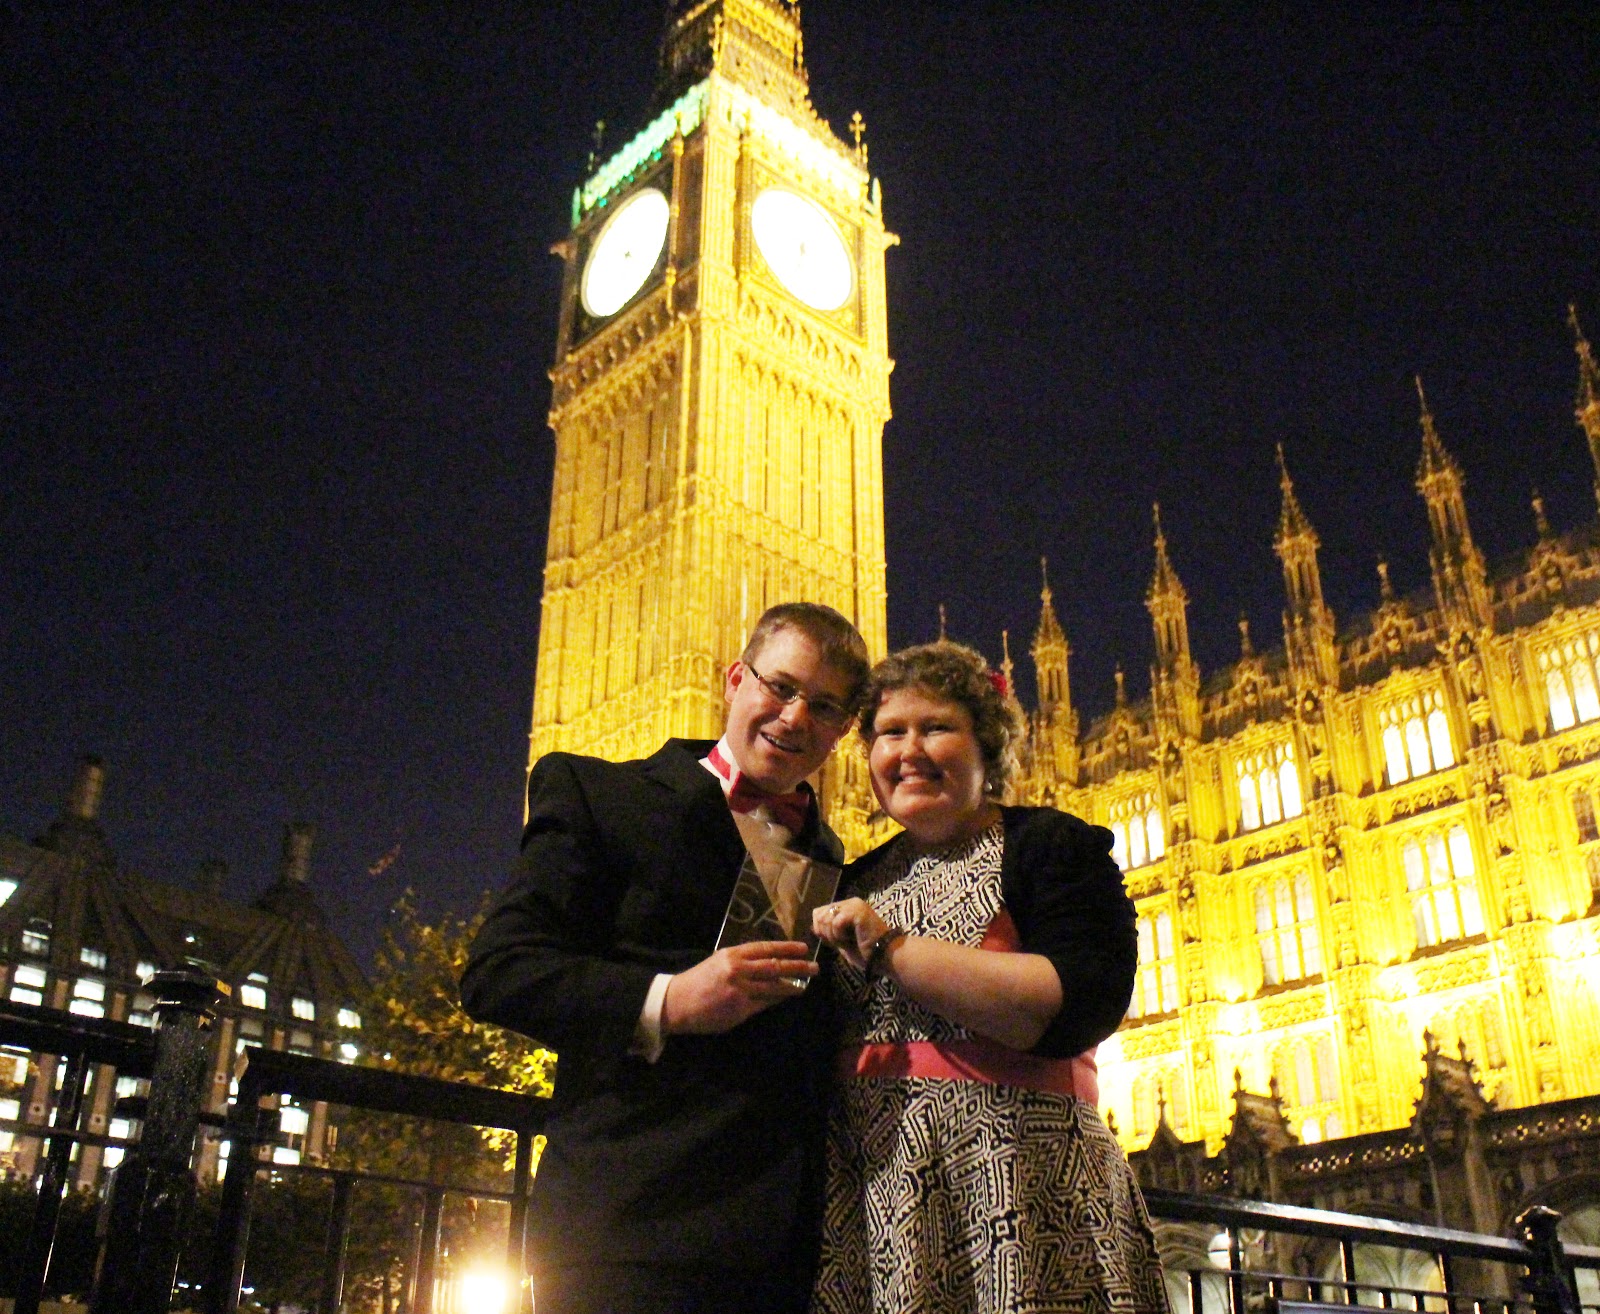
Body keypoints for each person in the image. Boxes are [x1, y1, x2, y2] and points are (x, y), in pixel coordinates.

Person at [459, 602, 870, 1314]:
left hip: (777, 1252)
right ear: (735, 680)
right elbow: (500, 971)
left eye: (825, 706)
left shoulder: (828, 853)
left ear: (841, 730)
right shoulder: (600, 794)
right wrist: (670, 1000)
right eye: (780, 687)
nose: (796, 717)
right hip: (629, 1232)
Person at [810, 641, 1170, 1314]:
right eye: (890, 732)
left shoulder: (1051, 847)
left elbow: (1076, 1003)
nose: (909, 750)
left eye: (935, 727)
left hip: (1024, 1194)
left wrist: (891, 947)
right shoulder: (850, 880)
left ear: (988, 745)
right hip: (877, 1209)